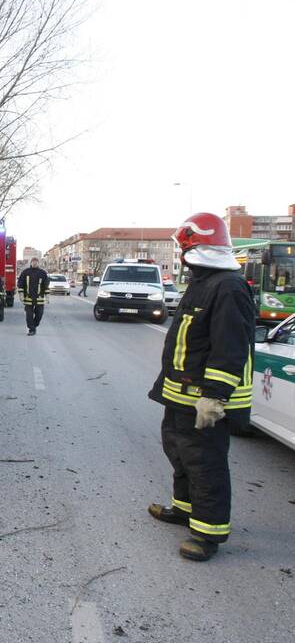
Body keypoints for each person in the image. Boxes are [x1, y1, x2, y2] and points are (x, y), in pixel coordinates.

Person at [146, 212, 254, 562]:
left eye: (184, 248)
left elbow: (230, 348)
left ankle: (208, 533)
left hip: (204, 399)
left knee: (205, 463)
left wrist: (214, 397)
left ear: (200, 248)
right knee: (179, 452)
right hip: (181, 395)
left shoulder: (228, 287)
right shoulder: (203, 282)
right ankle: (184, 508)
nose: (180, 255)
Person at [17, 257, 49, 336]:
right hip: (28, 298)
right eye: (33, 262)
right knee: (29, 315)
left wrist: (47, 296)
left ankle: (34, 325)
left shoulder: (43, 273)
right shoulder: (25, 272)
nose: (34, 263)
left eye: (36, 262)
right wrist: (21, 294)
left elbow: (46, 285)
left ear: (38, 263)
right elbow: (20, 283)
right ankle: (32, 329)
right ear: (31, 263)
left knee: (39, 314)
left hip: (39, 298)